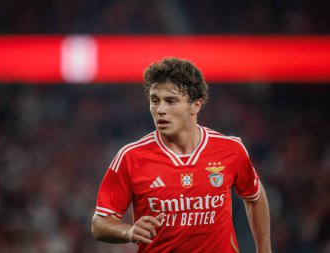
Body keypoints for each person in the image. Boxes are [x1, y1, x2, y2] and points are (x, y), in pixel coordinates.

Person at [91, 57, 271, 252]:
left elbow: (254, 196)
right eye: (155, 101)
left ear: (195, 105)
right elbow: (99, 224)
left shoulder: (230, 149)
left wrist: (264, 250)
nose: (160, 110)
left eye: (171, 101)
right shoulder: (130, 157)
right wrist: (128, 231)